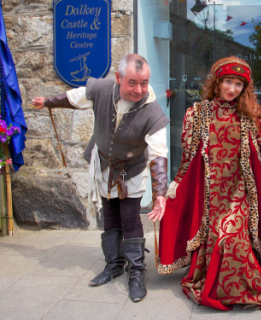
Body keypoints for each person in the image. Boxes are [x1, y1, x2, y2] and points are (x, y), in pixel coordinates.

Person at [155, 56, 261, 311]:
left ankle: (248, 290)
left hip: (241, 196)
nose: (232, 89)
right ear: (217, 82)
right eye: (228, 81)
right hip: (210, 198)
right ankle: (243, 289)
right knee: (221, 237)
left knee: (232, 240)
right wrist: (174, 187)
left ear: (245, 88)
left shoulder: (254, 116)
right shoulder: (197, 114)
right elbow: (188, 158)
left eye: (238, 84)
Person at [31, 54, 170, 303]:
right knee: (109, 215)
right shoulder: (103, 89)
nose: (139, 89)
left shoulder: (152, 110)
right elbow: (74, 98)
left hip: (132, 169)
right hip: (103, 164)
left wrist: (160, 194)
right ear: (117, 78)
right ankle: (114, 265)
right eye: (132, 83)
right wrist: (48, 102)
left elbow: (159, 154)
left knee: (130, 218)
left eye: (144, 82)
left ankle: (136, 272)